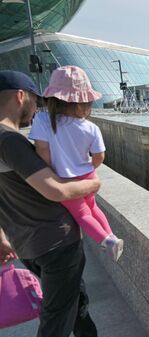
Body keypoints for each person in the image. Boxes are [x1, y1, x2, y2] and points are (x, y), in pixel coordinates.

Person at [0, 70, 99, 336]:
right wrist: (93, 184)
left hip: (29, 243)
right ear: (21, 96)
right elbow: (55, 190)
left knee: (76, 304)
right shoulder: (9, 140)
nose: (37, 110)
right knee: (57, 319)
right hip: (56, 243)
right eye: (35, 100)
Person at [28, 66, 123, 261]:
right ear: (86, 101)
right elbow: (99, 156)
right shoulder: (91, 127)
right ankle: (111, 234)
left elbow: (42, 151)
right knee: (93, 208)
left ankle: (107, 241)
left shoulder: (43, 120)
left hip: (64, 180)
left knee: (82, 215)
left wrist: (49, 172)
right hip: (88, 176)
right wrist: (89, 168)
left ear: (52, 98)